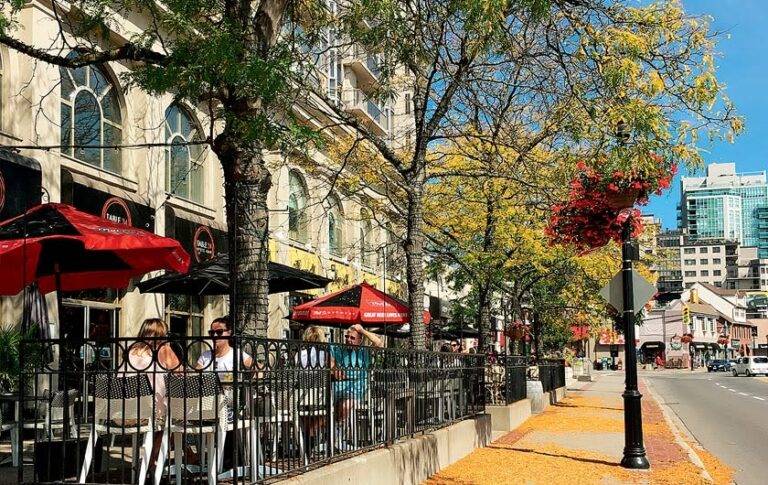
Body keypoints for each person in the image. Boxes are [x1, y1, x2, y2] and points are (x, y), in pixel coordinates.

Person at [123, 318, 181, 472]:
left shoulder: (130, 351)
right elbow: (181, 372)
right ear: (162, 335)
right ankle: (149, 462)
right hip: (146, 413)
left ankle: (149, 460)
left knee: (168, 420)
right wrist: (168, 348)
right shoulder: (161, 351)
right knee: (172, 421)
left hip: (122, 411)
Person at [331, 324, 383, 450]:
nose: (349, 339)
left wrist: (362, 330)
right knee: (325, 406)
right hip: (337, 386)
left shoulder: (364, 351)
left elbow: (379, 343)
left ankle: (337, 437)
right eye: (347, 337)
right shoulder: (338, 349)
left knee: (346, 404)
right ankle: (331, 437)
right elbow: (331, 364)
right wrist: (334, 369)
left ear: (360, 340)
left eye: (353, 338)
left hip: (357, 386)